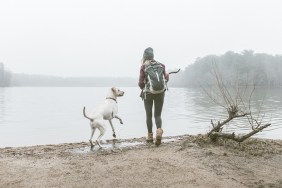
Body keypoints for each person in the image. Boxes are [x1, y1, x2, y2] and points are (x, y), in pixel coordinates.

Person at [138, 47, 169, 146]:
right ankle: (159, 130)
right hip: (160, 93)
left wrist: (143, 86)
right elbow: (166, 78)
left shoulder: (143, 67)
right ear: (153, 56)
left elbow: (140, 83)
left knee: (149, 115)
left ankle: (150, 137)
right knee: (158, 115)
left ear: (145, 56)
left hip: (148, 93)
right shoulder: (161, 65)